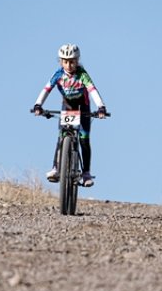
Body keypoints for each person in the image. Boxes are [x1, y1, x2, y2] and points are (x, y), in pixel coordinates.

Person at [31, 43, 109, 187]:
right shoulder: (58, 74)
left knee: (84, 139)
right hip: (68, 107)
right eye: (65, 62)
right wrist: (38, 105)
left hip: (83, 107)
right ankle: (56, 168)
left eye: (72, 61)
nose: (69, 65)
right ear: (61, 62)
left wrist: (101, 107)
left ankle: (86, 173)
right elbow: (46, 89)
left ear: (77, 61)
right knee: (61, 136)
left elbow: (92, 90)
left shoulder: (82, 75)